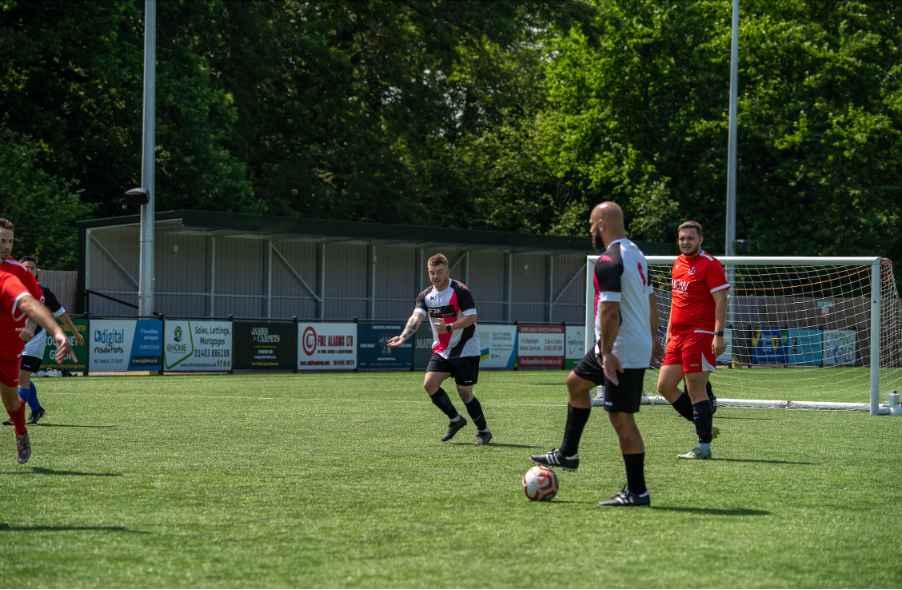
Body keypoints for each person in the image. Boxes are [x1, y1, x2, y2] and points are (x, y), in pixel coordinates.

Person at [531, 202, 662, 507]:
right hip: (622, 344)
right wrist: (652, 337)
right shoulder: (635, 254)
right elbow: (650, 301)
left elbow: (610, 311)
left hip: (620, 349)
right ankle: (568, 452)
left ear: (602, 224)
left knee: (621, 418)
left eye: (591, 225)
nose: (590, 230)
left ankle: (637, 492)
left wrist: (607, 354)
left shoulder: (608, 260)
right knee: (576, 384)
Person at [387, 253, 492, 445]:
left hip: (465, 348)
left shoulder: (460, 290)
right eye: (432, 273)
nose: (435, 277)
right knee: (429, 384)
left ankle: (483, 431)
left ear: (447, 271)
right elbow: (416, 318)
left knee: (465, 394)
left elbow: (472, 317)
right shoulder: (425, 295)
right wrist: (403, 336)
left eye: (439, 272)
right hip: (442, 350)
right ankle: (455, 419)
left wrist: (449, 327)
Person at [0, 218, 75, 463]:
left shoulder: (15, 273)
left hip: (9, 346)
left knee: (11, 400)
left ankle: (20, 431)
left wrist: (54, 330)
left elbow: (33, 302)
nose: (7, 246)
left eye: (10, 241)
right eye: (2, 241)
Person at [655, 221, 729, 460]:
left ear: (700, 240)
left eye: (690, 238)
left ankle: (704, 447)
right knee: (664, 386)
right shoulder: (677, 263)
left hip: (700, 335)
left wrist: (718, 335)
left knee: (696, 390)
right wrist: (668, 331)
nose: (685, 242)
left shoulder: (710, 265)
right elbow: (678, 300)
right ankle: (707, 428)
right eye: (682, 238)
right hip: (676, 336)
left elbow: (721, 301)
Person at [2, 256, 84, 426]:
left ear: (37, 271)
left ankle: (16, 415)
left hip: (35, 340)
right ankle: (37, 409)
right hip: (14, 341)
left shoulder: (44, 292)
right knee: (17, 377)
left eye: (32, 268)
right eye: (26, 267)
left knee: (22, 376)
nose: (29, 271)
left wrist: (75, 333)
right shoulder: (9, 288)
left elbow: (61, 313)